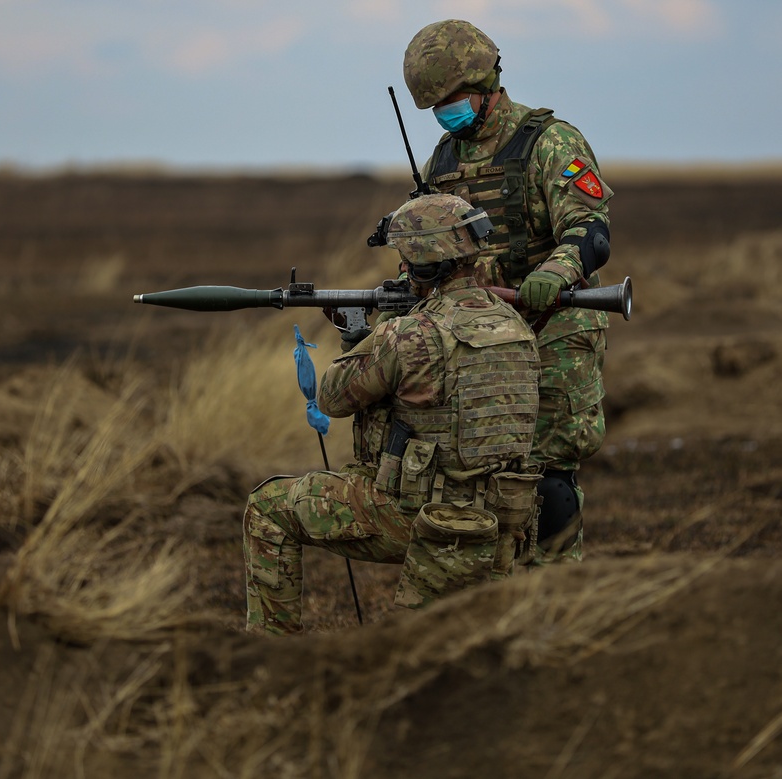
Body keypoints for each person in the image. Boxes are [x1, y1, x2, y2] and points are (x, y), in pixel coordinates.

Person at [243, 194, 542, 636]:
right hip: (503, 518)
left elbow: (333, 399)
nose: (402, 267)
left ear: (425, 265)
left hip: (422, 514)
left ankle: (271, 649)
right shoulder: (517, 326)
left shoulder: (409, 334)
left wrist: (365, 336)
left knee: (267, 507)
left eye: (407, 260)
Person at [398, 19, 614, 561]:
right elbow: (428, 253)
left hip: (555, 327)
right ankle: (492, 592)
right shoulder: (442, 161)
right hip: (478, 340)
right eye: (437, 107)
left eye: (454, 101)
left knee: (548, 478)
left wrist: (555, 273)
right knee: (478, 471)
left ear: (488, 83)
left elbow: (590, 230)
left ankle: (556, 591)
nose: (447, 114)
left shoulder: (551, 142)